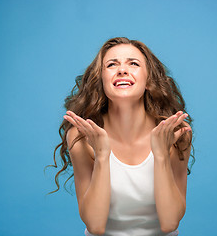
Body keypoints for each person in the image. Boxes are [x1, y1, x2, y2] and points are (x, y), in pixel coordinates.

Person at [50, 37, 194, 236]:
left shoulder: (175, 133)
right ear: (100, 79)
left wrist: (160, 155)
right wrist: (102, 155)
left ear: (149, 80)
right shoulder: (82, 136)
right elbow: (95, 226)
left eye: (133, 63)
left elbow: (170, 223)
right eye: (111, 65)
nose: (122, 70)